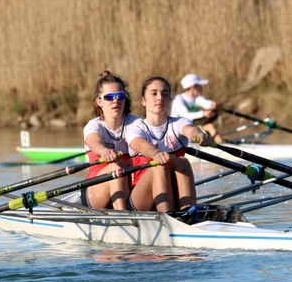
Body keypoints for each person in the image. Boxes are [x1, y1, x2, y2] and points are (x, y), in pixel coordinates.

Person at [125, 76, 211, 212]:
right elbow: (137, 143)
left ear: (169, 100)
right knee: (160, 166)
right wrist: (156, 154)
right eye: (154, 93)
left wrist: (199, 135)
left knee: (182, 161)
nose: (160, 98)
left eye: (165, 94)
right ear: (143, 101)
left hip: (172, 196)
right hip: (140, 202)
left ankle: (188, 212)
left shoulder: (178, 123)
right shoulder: (135, 127)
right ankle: (168, 217)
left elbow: (190, 130)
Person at [82, 70, 139, 210]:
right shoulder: (94, 125)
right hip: (95, 194)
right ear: (99, 101)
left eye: (120, 96)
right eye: (109, 97)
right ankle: (123, 218)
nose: (116, 101)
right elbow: (94, 142)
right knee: (117, 167)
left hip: (128, 187)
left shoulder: (136, 122)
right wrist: (104, 151)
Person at [170, 73, 222, 143]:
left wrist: (212, 104)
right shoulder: (178, 99)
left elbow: (205, 103)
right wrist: (203, 113)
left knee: (209, 126)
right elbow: (186, 115)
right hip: (178, 134)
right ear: (193, 87)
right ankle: (220, 145)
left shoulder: (196, 98)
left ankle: (220, 144)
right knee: (208, 127)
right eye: (199, 85)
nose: (201, 88)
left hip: (190, 130)